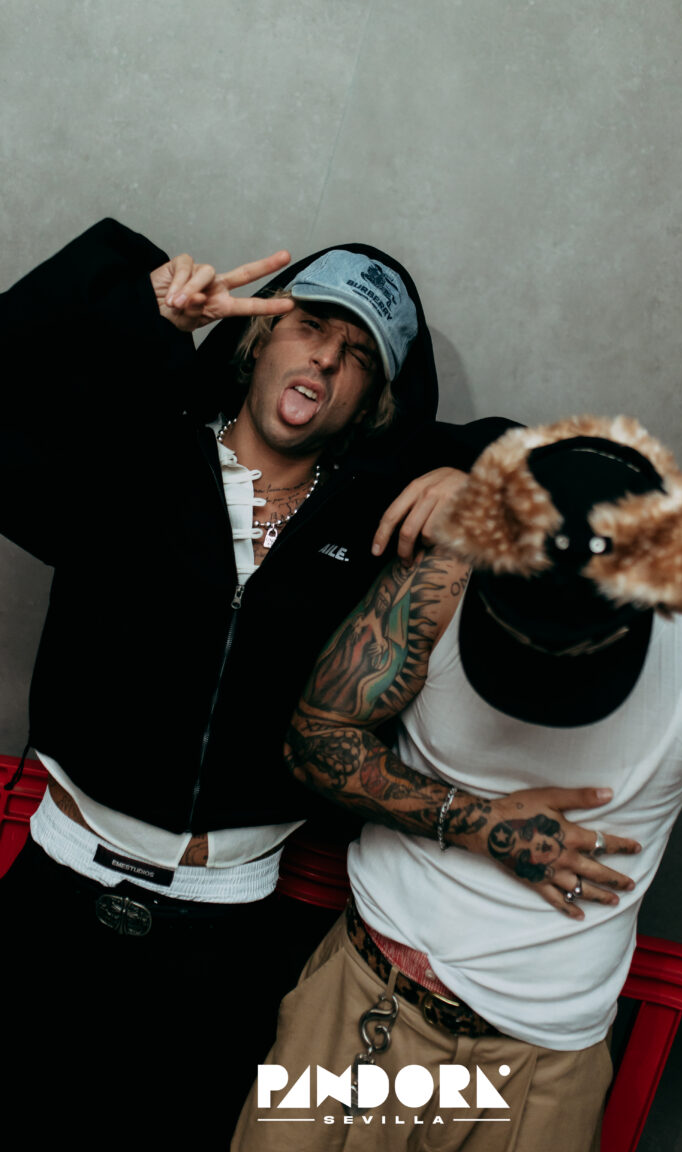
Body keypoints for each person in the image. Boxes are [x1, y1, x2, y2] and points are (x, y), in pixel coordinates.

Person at [0, 219, 513, 1150]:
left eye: (360, 354)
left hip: (225, 940)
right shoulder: (131, 450)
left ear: (375, 402)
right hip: (53, 904)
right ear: (257, 338)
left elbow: (598, 489)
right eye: (310, 324)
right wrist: (133, 311)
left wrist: (493, 478)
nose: (328, 357)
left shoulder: (375, 525)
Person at [235, 414, 682, 1152]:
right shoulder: (445, 577)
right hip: (369, 1005)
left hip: (545, 1067)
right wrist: (478, 823)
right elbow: (316, 737)